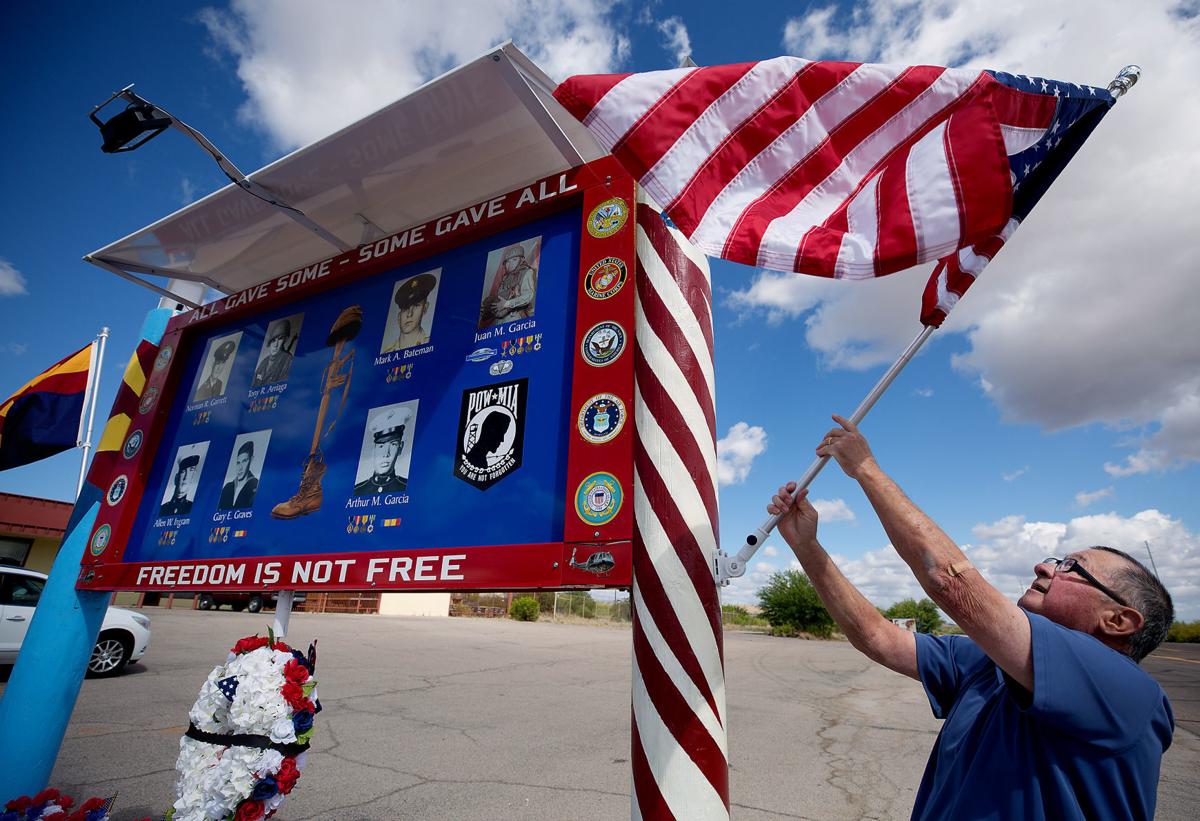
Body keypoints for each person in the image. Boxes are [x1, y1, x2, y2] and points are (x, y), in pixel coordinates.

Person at [768, 415, 1175, 820]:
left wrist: (865, 468)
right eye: (1056, 559)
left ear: (1119, 621)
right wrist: (807, 547)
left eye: (1072, 567)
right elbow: (878, 637)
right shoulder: (990, 664)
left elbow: (950, 581)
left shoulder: (1125, 692)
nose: (1044, 566)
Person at [354, 407, 411, 496]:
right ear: (373, 450)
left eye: (393, 444)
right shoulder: (358, 490)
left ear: (400, 448)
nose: (386, 454)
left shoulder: (405, 486)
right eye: (381, 446)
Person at [479, 243, 536, 328]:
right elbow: (501, 297)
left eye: (514, 260)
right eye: (508, 261)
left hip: (516, 318)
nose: (510, 264)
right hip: (500, 318)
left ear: (522, 260)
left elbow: (529, 296)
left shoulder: (526, 272)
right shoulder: (506, 277)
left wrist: (507, 303)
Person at [383, 274, 436, 352]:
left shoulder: (432, 343)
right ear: (399, 316)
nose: (409, 314)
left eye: (416, 305)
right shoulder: (387, 353)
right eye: (405, 308)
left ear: (424, 308)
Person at [219, 440, 259, 510]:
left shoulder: (256, 487)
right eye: (238, 463)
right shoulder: (227, 488)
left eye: (244, 461)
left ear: (251, 460)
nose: (240, 468)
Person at [252, 320, 294, 386]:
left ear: (285, 340)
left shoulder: (288, 361)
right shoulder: (263, 363)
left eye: (280, 339)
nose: (276, 345)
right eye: (273, 340)